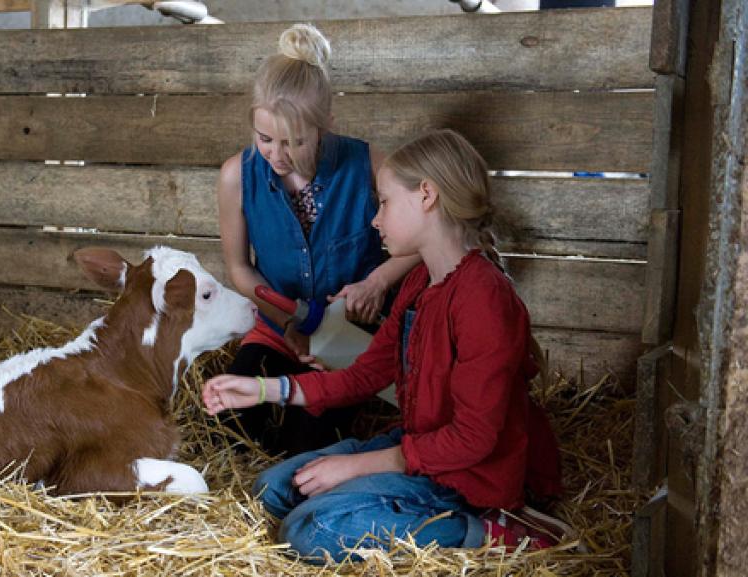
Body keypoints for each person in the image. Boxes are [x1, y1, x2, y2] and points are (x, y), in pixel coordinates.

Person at [203, 129, 572, 562]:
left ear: (427, 196)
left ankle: (489, 530)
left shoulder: (482, 297)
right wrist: (267, 389)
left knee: (313, 529)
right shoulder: (420, 281)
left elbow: (473, 439)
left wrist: (357, 466)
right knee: (270, 491)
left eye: (385, 202)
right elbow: (366, 376)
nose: (376, 220)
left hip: (469, 480)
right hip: (421, 449)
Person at [217, 22, 419, 456]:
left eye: (294, 142)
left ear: (327, 123)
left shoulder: (367, 165)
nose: (276, 155)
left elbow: (425, 237)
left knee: (304, 443)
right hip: (278, 327)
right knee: (229, 429)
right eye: (265, 138)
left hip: (348, 337)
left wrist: (377, 282)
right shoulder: (237, 174)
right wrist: (288, 321)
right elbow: (239, 268)